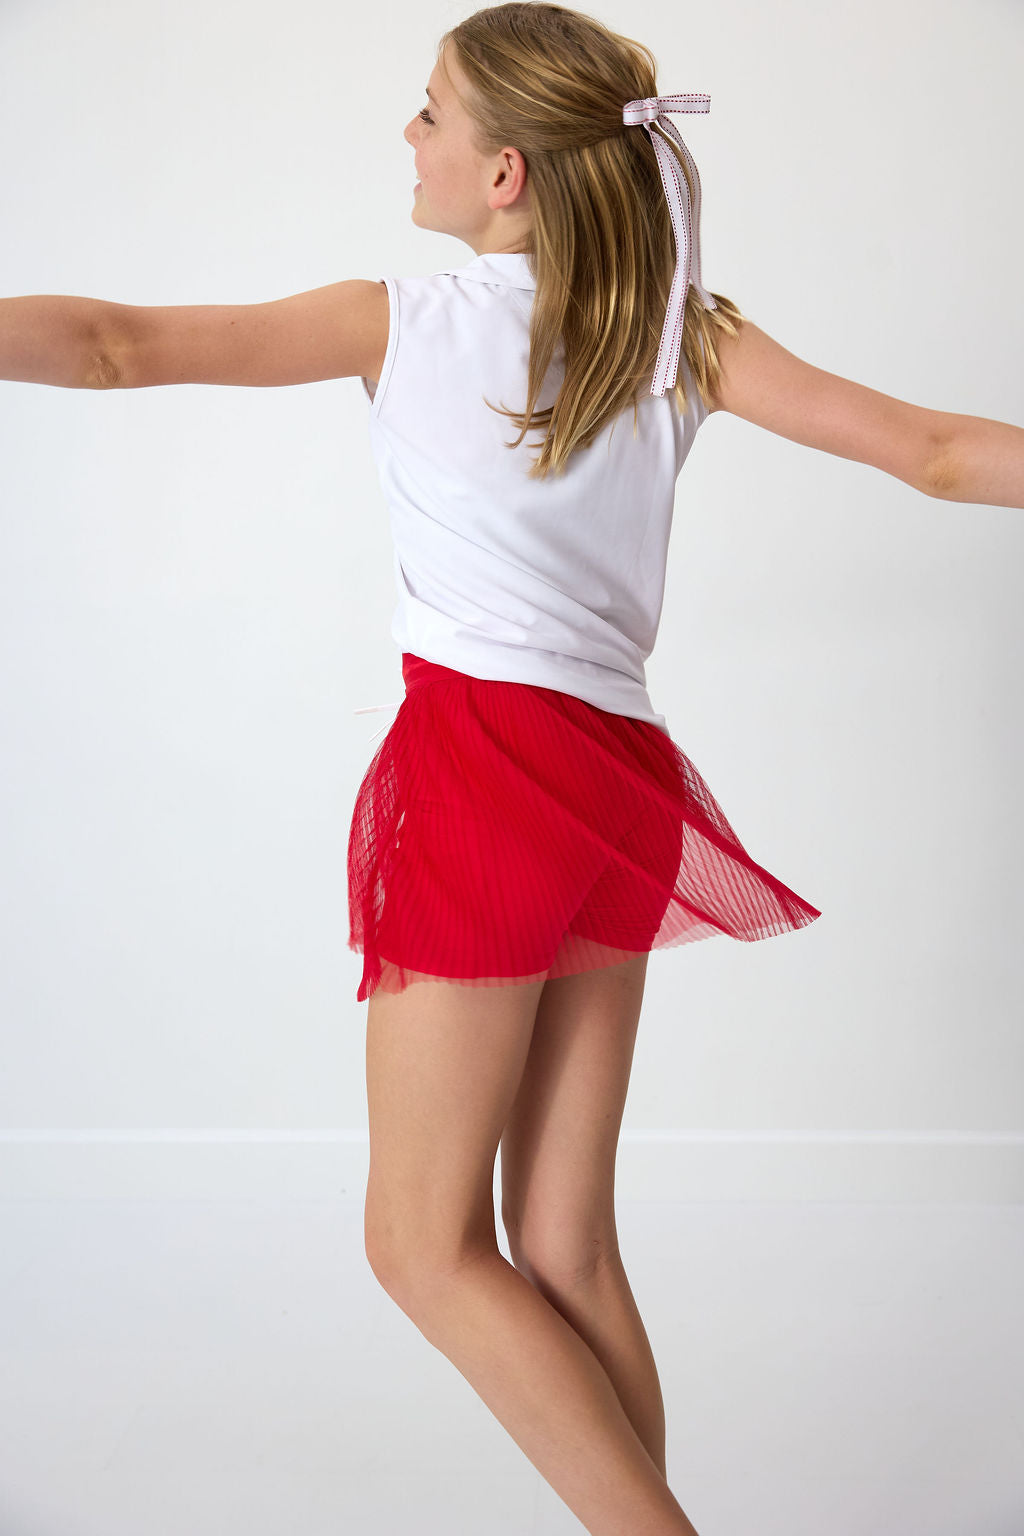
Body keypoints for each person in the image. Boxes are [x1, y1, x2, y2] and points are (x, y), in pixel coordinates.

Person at [2, 4, 1021, 1532]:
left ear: (506, 177)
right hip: (615, 784)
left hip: (482, 767)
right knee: (565, 1243)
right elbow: (938, 451)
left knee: (420, 1244)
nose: (405, 136)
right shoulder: (685, 335)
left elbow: (115, 348)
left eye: (427, 114)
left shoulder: (397, 318)